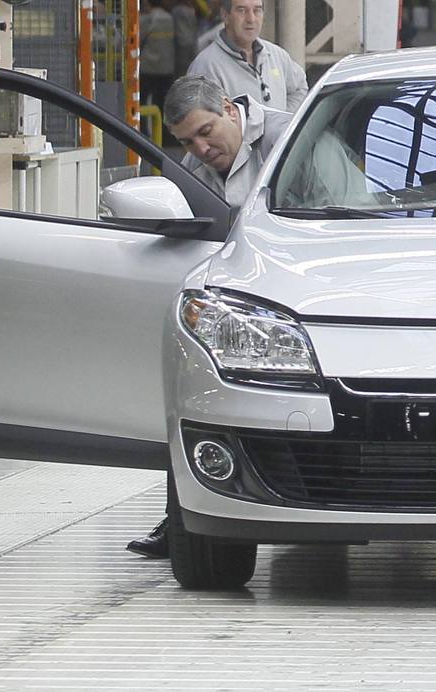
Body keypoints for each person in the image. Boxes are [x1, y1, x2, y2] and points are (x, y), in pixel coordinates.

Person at [125, 75, 298, 558]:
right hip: (232, 315)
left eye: (205, 131)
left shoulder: (291, 137)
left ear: (228, 106)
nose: (200, 148)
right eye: (186, 141)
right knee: (194, 405)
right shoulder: (192, 172)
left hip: (301, 304)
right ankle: (183, 522)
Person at [186, 0, 309, 112]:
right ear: (225, 15)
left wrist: (282, 123)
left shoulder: (277, 55)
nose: (251, 19)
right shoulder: (206, 66)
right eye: (242, 10)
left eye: (257, 10)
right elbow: (202, 120)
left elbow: (299, 88)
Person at [139, 0, 178, 109]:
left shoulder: (146, 19)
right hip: (166, 68)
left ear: (147, 2)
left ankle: (142, 128)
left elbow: (138, 40)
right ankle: (163, 128)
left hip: (148, 68)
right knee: (162, 103)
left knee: (142, 102)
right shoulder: (170, 18)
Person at [163, 0, 200, 75]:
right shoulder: (190, 9)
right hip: (193, 43)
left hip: (181, 46)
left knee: (181, 72)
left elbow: (177, 29)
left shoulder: (177, 11)